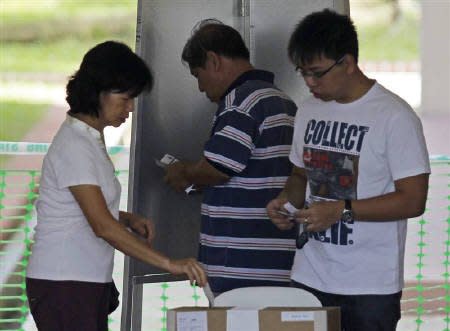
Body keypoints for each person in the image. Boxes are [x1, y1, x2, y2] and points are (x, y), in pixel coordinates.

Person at [266, 9, 430, 331]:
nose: (310, 83)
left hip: (369, 288)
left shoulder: (394, 117)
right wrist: (287, 202)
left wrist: (342, 210)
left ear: (348, 63)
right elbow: (301, 175)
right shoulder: (309, 110)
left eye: (317, 73)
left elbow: (413, 200)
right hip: (309, 275)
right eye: (303, 73)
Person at [26, 41, 206, 331]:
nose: (131, 108)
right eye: (125, 98)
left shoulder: (88, 139)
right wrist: (170, 264)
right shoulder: (75, 145)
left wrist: (126, 218)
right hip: (65, 282)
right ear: (98, 91)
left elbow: (83, 206)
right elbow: (102, 226)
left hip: (81, 281)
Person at [164, 20, 297, 296]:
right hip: (279, 258)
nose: (201, 88)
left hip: (240, 265)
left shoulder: (241, 102)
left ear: (213, 61)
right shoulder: (282, 100)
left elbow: (218, 167)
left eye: (198, 75)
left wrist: (184, 172)